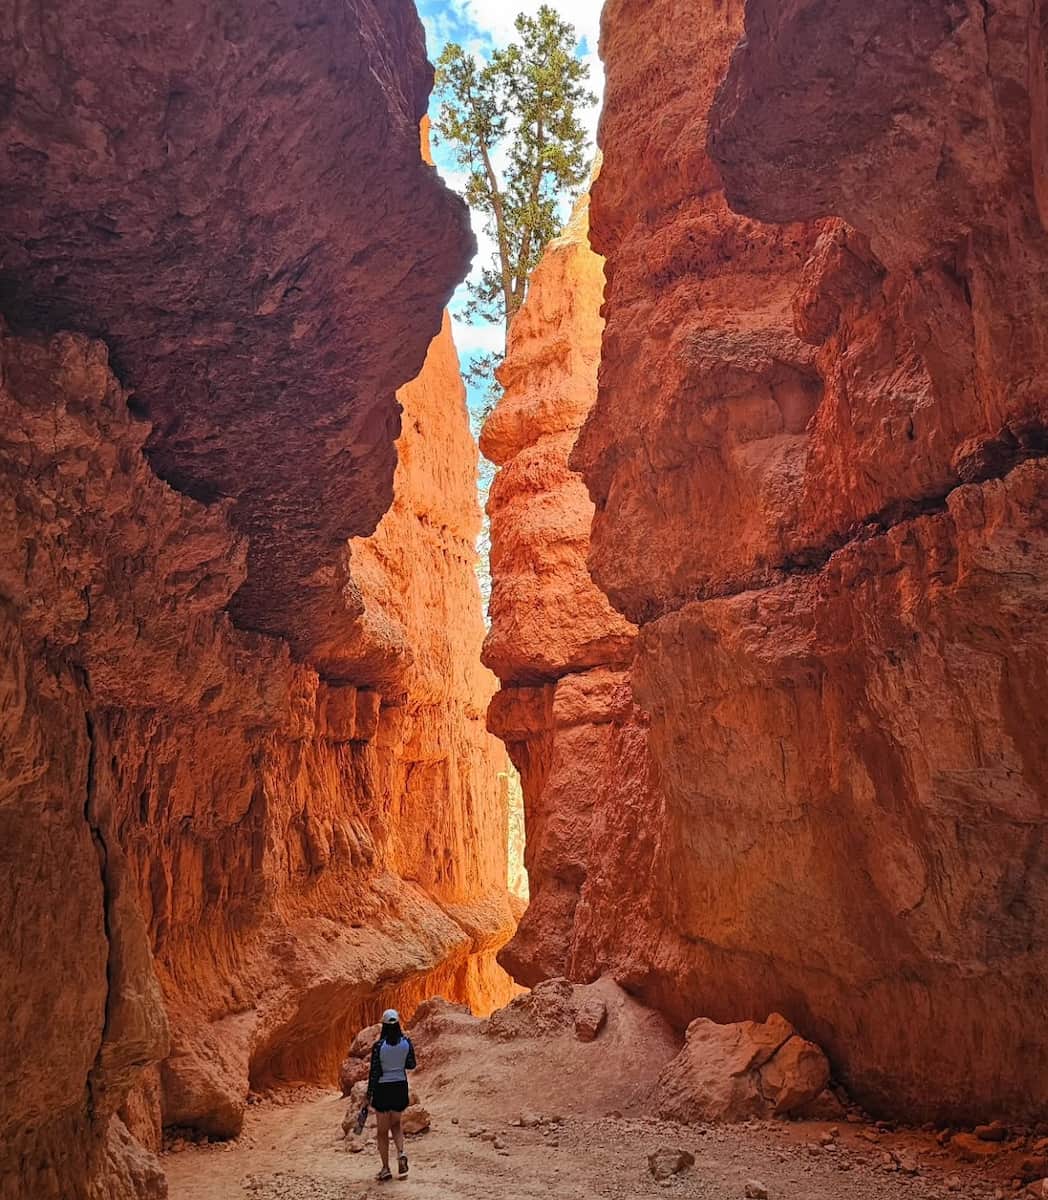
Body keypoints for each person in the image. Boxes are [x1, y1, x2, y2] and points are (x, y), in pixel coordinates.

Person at [365, 1008, 417, 1181]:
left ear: (384, 1026)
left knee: (382, 1131)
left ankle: (386, 1168)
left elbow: (374, 1072)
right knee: (396, 1125)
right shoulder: (406, 1042)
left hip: (383, 1089)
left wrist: (369, 1094)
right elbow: (411, 1065)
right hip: (400, 1087)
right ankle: (401, 1153)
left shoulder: (379, 1046)